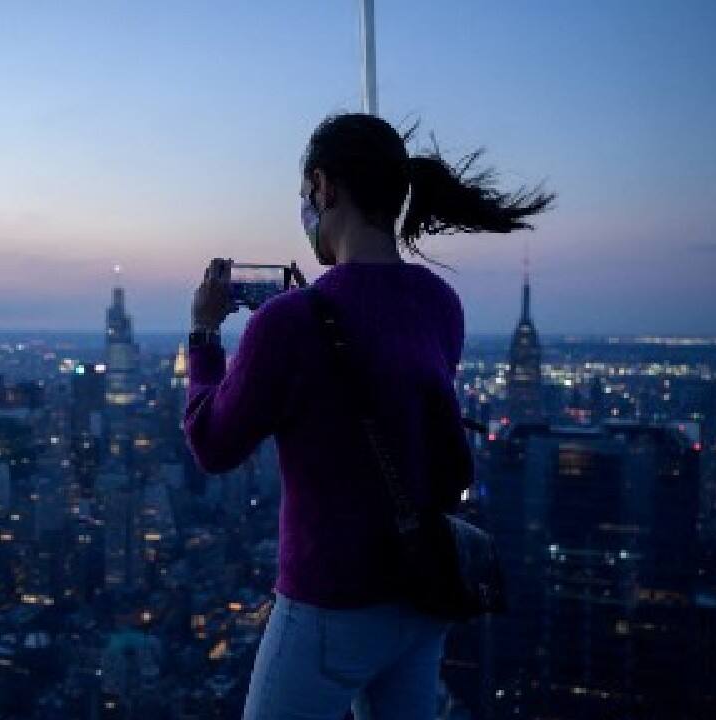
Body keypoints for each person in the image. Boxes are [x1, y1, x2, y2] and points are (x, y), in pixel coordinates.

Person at [183, 113, 553, 719]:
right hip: (420, 596)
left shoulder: (289, 323)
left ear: (325, 188)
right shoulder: (440, 304)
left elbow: (211, 443)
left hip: (329, 602)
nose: (305, 211)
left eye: (306, 196)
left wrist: (203, 332)